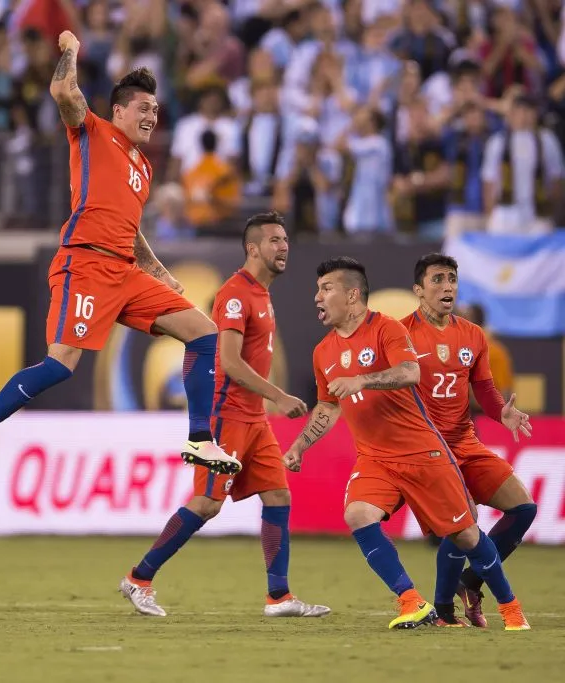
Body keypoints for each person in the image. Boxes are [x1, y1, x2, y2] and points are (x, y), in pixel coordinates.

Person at [0, 31, 241, 479]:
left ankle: (200, 439)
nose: (151, 117)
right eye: (143, 109)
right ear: (119, 110)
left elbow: (131, 229)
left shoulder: (143, 167)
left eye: (156, 111)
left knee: (205, 335)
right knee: (61, 364)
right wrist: (70, 47)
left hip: (124, 271)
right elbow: (61, 90)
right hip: (84, 262)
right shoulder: (90, 130)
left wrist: (159, 273)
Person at [283, 257, 529, 630]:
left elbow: (410, 372)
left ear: (352, 295)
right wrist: (301, 444)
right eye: (318, 289)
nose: (317, 296)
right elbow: (328, 406)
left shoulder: (387, 330)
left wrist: (362, 380)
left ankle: (508, 608)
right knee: (357, 515)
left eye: (325, 288)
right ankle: (413, 602)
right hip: (376, 458)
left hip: (425, 449)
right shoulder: (323, 352)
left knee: (465, 533)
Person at [119, 212, 330, 619]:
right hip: (227, 414)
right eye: (274, 240)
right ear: (252, 248)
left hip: (253, 419)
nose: (283, 246)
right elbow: (228, 362)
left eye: (285, 240)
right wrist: (279, 396)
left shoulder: (261, 294)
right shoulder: (235, 294)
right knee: (206, 504)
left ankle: (279, 596)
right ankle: (138, 578)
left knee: (278, 495)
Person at [402, 253, 534, 627]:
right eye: (438, 279)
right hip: (426, 446)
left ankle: (468, 582)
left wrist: (502, 412)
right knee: (463, 519)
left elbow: (485, 389)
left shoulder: (472, 335)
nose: (447, 287)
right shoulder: (399, 333)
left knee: (523, 508)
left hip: (465, 441)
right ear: (419, 289)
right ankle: (445, 610)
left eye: (452, 279)